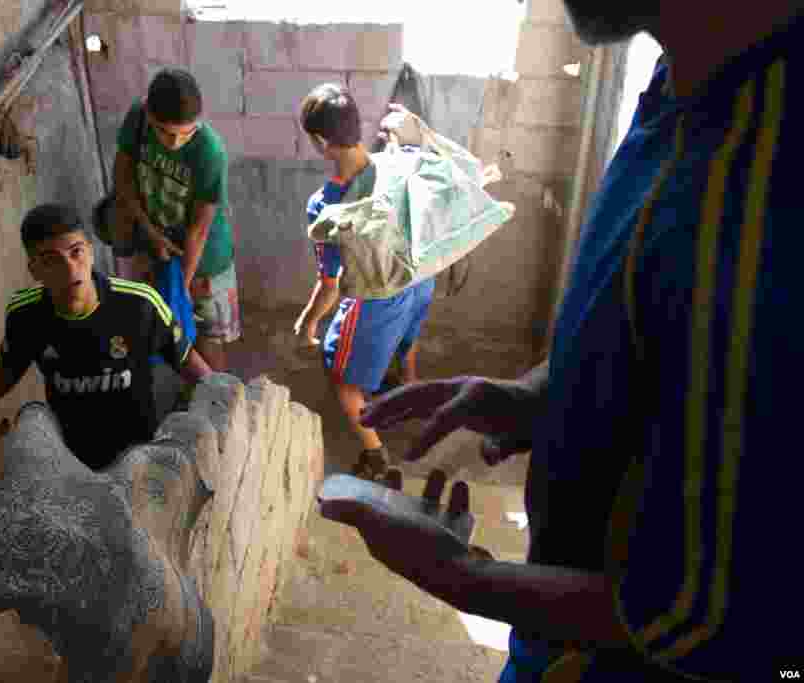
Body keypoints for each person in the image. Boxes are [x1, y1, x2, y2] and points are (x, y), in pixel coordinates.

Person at [320, 0, 804, 680]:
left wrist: (465, 577)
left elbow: (715, 615)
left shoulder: (770, 181)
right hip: (551, 649)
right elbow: (660, 328)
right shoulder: (686, 85)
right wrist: (537, 394)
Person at [0, 203, 212, 471]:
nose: (69, 268)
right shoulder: (25, 314)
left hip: (137, 458)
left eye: (76, 252)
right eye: (51, 260)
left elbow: (186, 359)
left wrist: (222, 400)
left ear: (91, 253)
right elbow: (11, 364)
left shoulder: (139, 304)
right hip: (69, 459)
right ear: (34, 270)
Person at [295, 84, 437, 480]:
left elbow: (331, 284)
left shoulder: (328, 205)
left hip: (379, 297)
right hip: (421, 277)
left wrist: (308, 322)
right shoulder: (399, 164)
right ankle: (409, 388)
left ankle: (376, 456)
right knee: (406, 338)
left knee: (342, 377)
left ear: (322, 142)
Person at [107, 67, 240, 373]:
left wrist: (181, 288)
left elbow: (199, 230)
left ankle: (214, 398)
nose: (174, 142)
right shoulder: (138, 119)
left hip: (205, 259)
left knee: (206, 338)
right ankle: (191, 391)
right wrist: (149, 230)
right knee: (167, 332)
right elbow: (123, 177)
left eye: (186, 133)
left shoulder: (209, 151)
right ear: (149, 115)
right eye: (165, 132)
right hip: (157, 246)